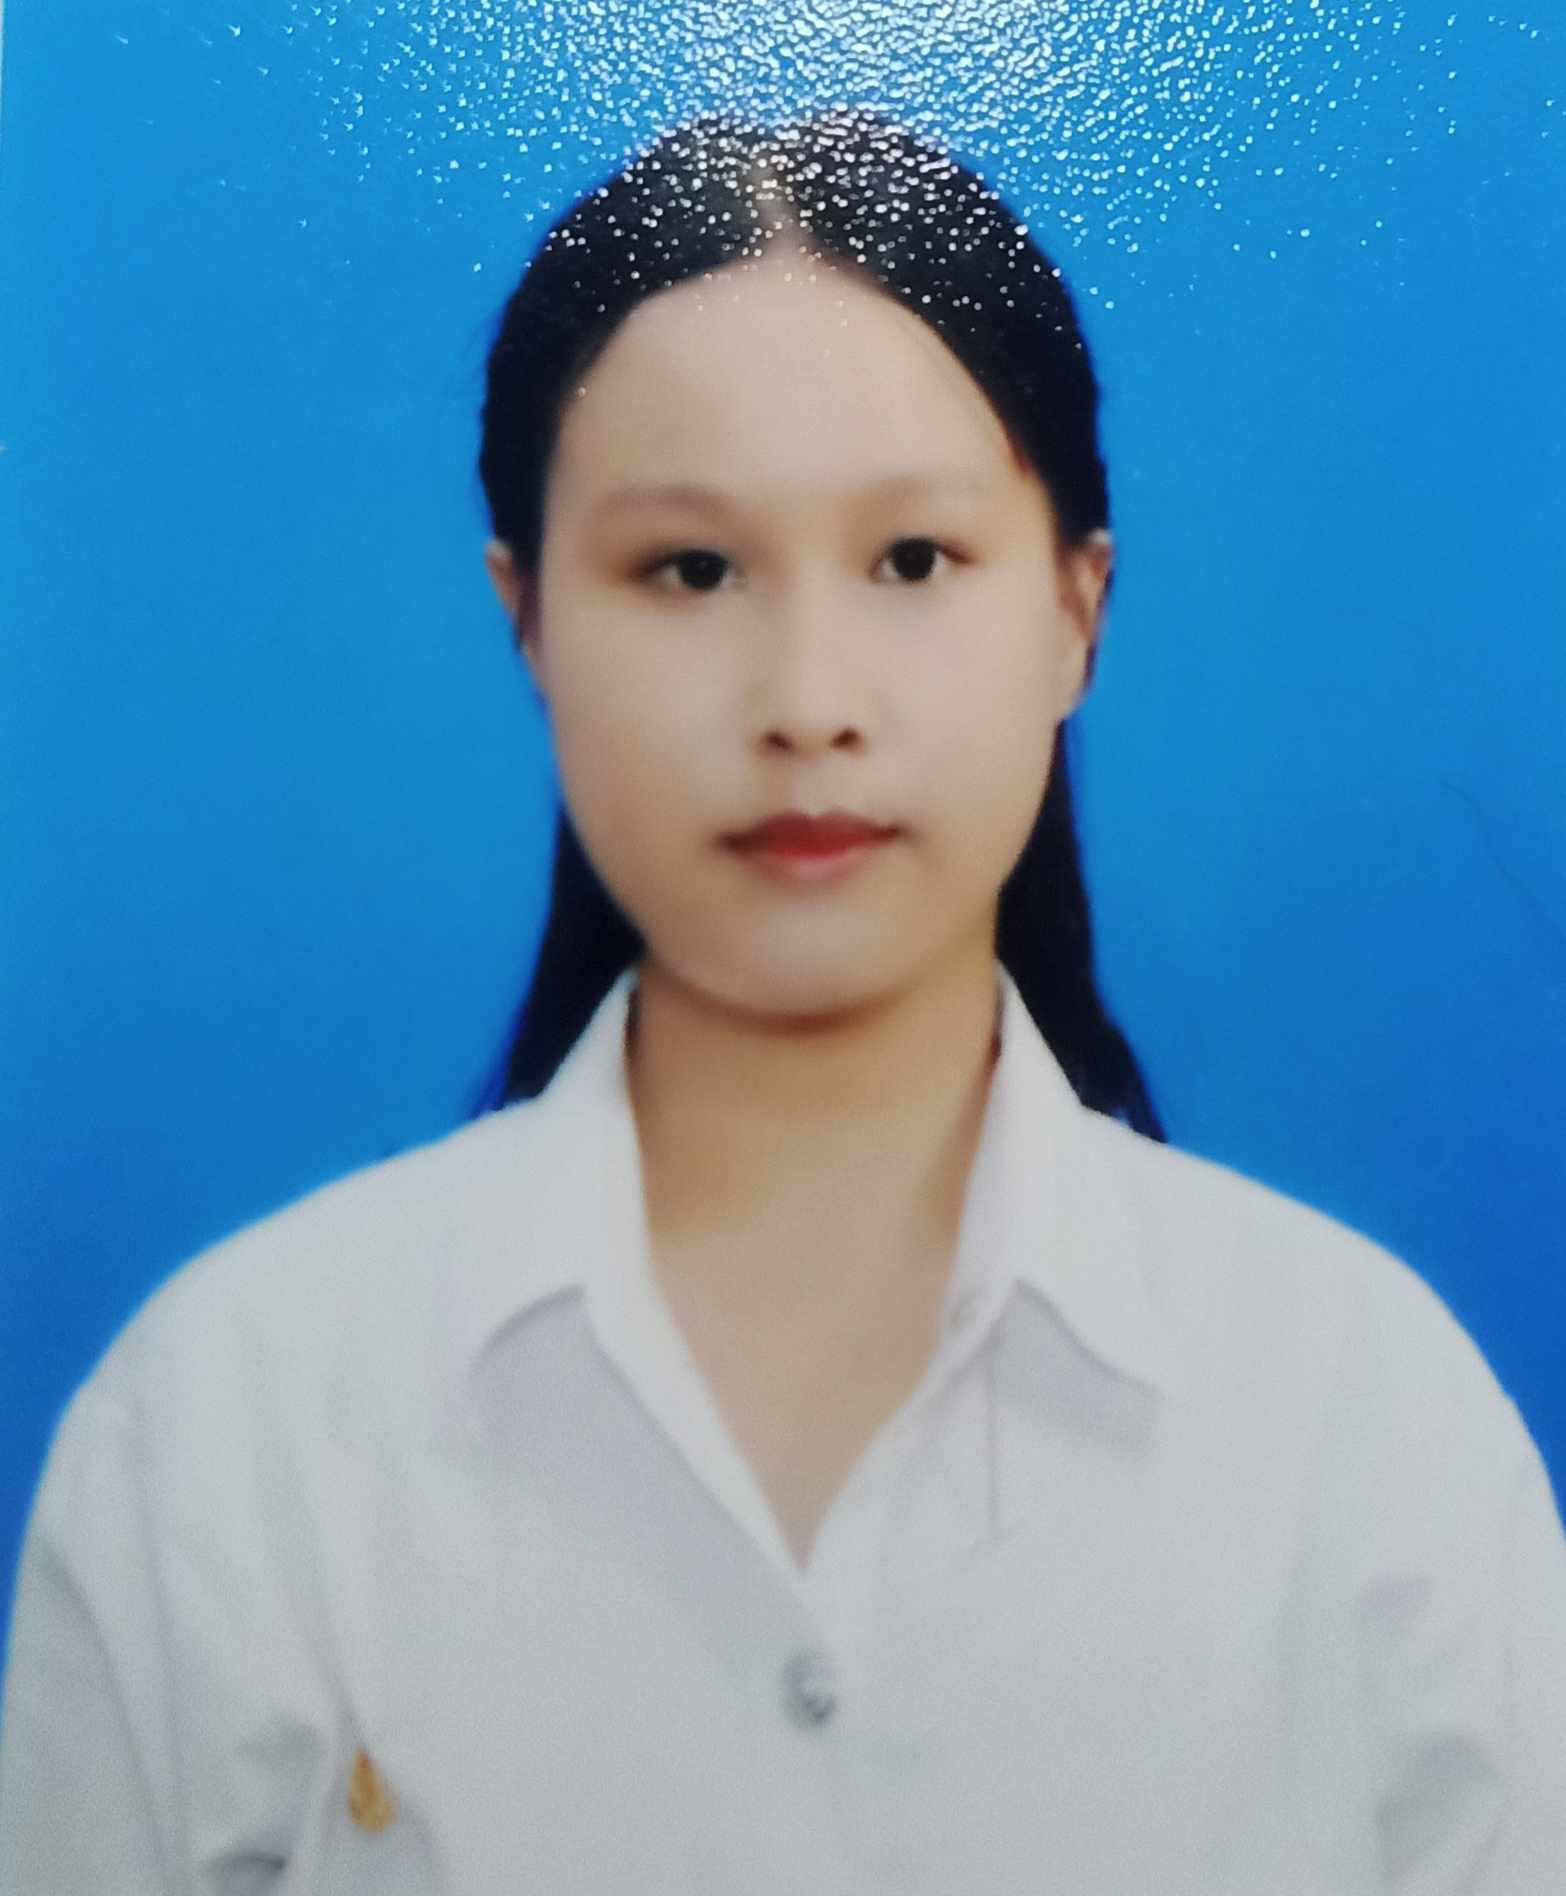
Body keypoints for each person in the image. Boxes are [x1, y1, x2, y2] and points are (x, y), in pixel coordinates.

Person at [2, 105, 1563, 1895]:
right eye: (688, 570)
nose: (806, 699)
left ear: (1077, 609)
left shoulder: (1361, 1420)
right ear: (527, 618)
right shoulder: (229, 1425)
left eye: (912, 562)